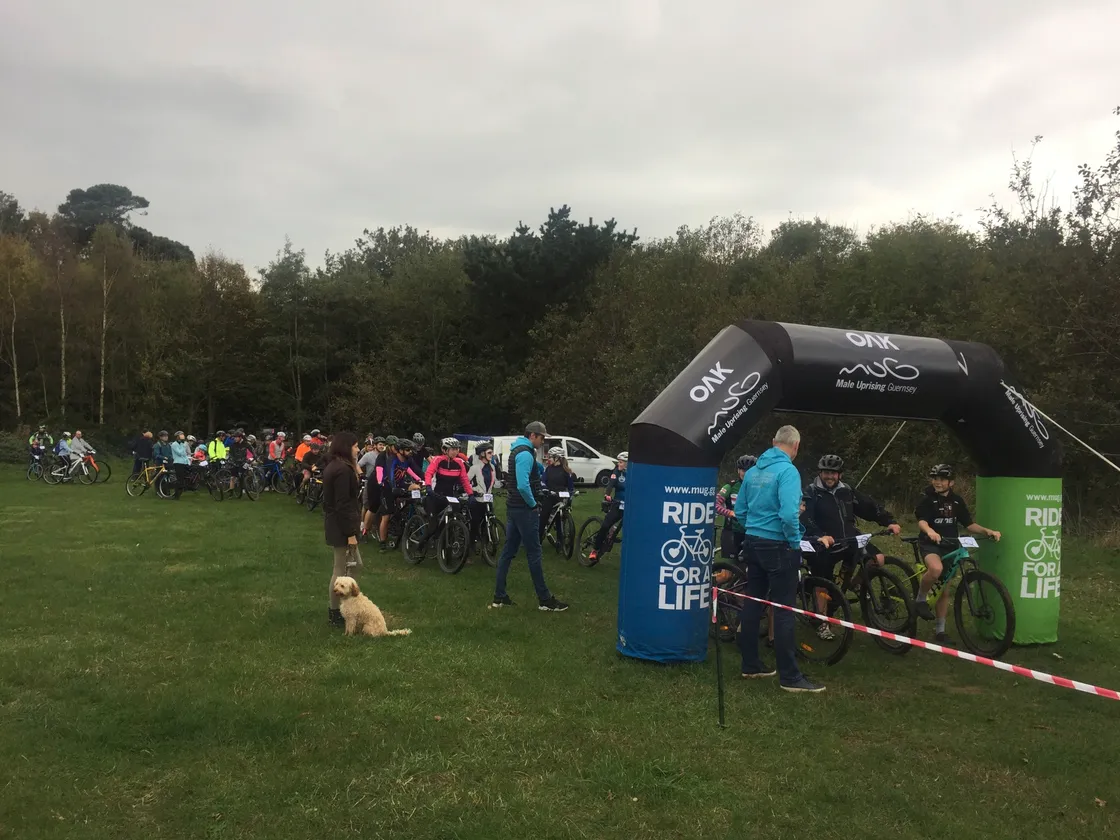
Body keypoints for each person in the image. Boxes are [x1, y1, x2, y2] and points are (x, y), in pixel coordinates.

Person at [735, 425, 824, 693]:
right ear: (796, 446)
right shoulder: (788, 471)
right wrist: (794, 540)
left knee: (753, 601)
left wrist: (754, 528)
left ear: (774, 442)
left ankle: (751, 664)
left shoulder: (753, 471)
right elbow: (788, 514)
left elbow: (739, 510)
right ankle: (790, 677)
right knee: (784, 609)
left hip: (753, 542)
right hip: (779, 545)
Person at [801, 454, 900, 639]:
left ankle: (854, 585)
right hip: (823, 543)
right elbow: (805, 518)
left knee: (877, 560)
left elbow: (869, 507)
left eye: (834, 473)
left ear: (840, 474)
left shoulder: (847, 491)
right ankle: (821, 622)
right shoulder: (811, 492)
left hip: (849, 539)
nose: (830, 476)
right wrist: (820, 535)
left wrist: (889, 521)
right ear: (820, 472)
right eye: (826, 472)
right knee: (823, 583)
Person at [914, 464, 1002, 642]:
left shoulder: (957, 501)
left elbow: (969, 524)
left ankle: (940, 631)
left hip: (950, 545)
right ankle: (920, 599)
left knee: (944, 591)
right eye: (935, 478)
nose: (937, 482)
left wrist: (987, 531)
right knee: (935, 569)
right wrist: (930, 531)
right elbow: (922, 521)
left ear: (951, 482)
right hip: (931, 544)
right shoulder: (927, 499)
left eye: (942, 479)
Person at [491, 421, 567, 611]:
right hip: (524, 509)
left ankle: (499, 597)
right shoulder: (525, 453)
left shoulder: (520, 450)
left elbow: (529, 474)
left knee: (508, 552)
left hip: (513, 508)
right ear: (532, 435)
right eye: (542, 437)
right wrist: (533, 504)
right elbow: (523, 485)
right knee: (534, 553)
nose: (543, 441)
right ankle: (545, 600)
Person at [323, 432, 363, 628]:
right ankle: (336, 612)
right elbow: (342, 504)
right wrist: (350, 534)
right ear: (346, 447)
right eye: (355, 446)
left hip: (338, 524)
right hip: (341, 527)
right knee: (341, 569)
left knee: (354, 566)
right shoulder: (342, 470)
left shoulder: (338, 466)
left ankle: (344, 607)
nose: (358, 449)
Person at [587, 452, 629, 566]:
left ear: (627, 464)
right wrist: (607, 494)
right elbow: (610, 484)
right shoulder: (616, 473)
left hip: (629, 506)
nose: (619, 464)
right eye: (619, 462)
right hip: (617, 504)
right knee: (605, 525)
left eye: (621, 462)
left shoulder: (633, 475)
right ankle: (595, 550)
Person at [424, 437, 474, 523]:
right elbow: (429, 473)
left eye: (457, 449)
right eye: (453, 449)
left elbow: (464, 480)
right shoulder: (438, 460)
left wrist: (470, 494)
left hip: (450, 496)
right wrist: (428, 486)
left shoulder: (459, 462)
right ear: (445, 450)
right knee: (433, 525)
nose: (456, 452)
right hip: (436, 495)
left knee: (450, 521)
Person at [716, 454, 756, 561]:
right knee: (726, 574)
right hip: (732, 531)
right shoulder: (730, 486)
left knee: (749, 569)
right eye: (743, 470)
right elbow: (715, 505)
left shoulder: (759, 488)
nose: (745, 473)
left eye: (749, 470)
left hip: (752, 532)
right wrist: (730, 513)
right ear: (738, 471)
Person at [539, 446, 575, 545]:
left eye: (550, 457)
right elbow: (543, 481)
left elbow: (571, 486)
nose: (548, 459)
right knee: (544, 516)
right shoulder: (548, 469)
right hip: (550, 495)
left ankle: (560, 540)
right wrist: (545, 489)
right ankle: (538, 539)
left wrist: (572, 493)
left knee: (560, 518)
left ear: (557, 458)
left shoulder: (566, 471)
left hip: (561, 496)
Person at [467, 441, 498, 551]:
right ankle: (471, 548)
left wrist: (502, 484)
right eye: (489, 452)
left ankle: (486, 546)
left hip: (488, 499)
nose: (492, 454)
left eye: (492, 452)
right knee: (475, 524)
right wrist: (473, 491)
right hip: (477, 500)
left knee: (487, 523)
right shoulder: (475, 468)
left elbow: (494, 482)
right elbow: (465, 483)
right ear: (482, 454)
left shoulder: (492, 467)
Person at [170, 431, 191, 499]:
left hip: (184, 463)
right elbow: (180, 453)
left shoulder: (182, 444)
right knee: (179, 480)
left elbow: (185, 455)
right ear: (177, 437)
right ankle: (176, 495)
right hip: (178, 463)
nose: (182, 437)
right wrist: (184, 446)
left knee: (183, 479)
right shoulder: (174, 444)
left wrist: (188, 462)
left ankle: (180, 492)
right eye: (181, 436)